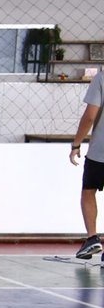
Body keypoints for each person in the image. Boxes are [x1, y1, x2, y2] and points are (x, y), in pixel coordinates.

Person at [67, 70, 102, 259]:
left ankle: (92, 238)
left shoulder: (101, 78)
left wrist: (76, 144)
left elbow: (90, 116)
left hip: (100, 152)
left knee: (88, 191)